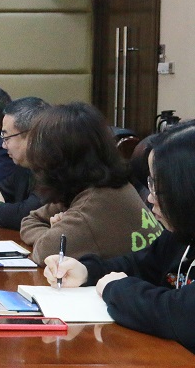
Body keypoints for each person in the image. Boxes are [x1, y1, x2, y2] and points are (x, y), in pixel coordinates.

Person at [44, 125, 195, 353]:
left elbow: (180, 315)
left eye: (158, 187)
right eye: (150, 184)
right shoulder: (180, 233)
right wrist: (86, 271)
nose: (150, 198)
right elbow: (139, 265)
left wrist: (116, 289)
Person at [21, 102, 162, 263]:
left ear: (54, 159)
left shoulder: (93, 206)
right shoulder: (106, 186)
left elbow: (45, 252)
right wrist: (52, 233)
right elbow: (30, 220)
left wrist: (53, 234)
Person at [0, 97, 49, 230]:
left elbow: (26, 214)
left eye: (6, 138)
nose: (3, 145)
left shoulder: (54, 168)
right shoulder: (24, 166)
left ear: (31, 136)